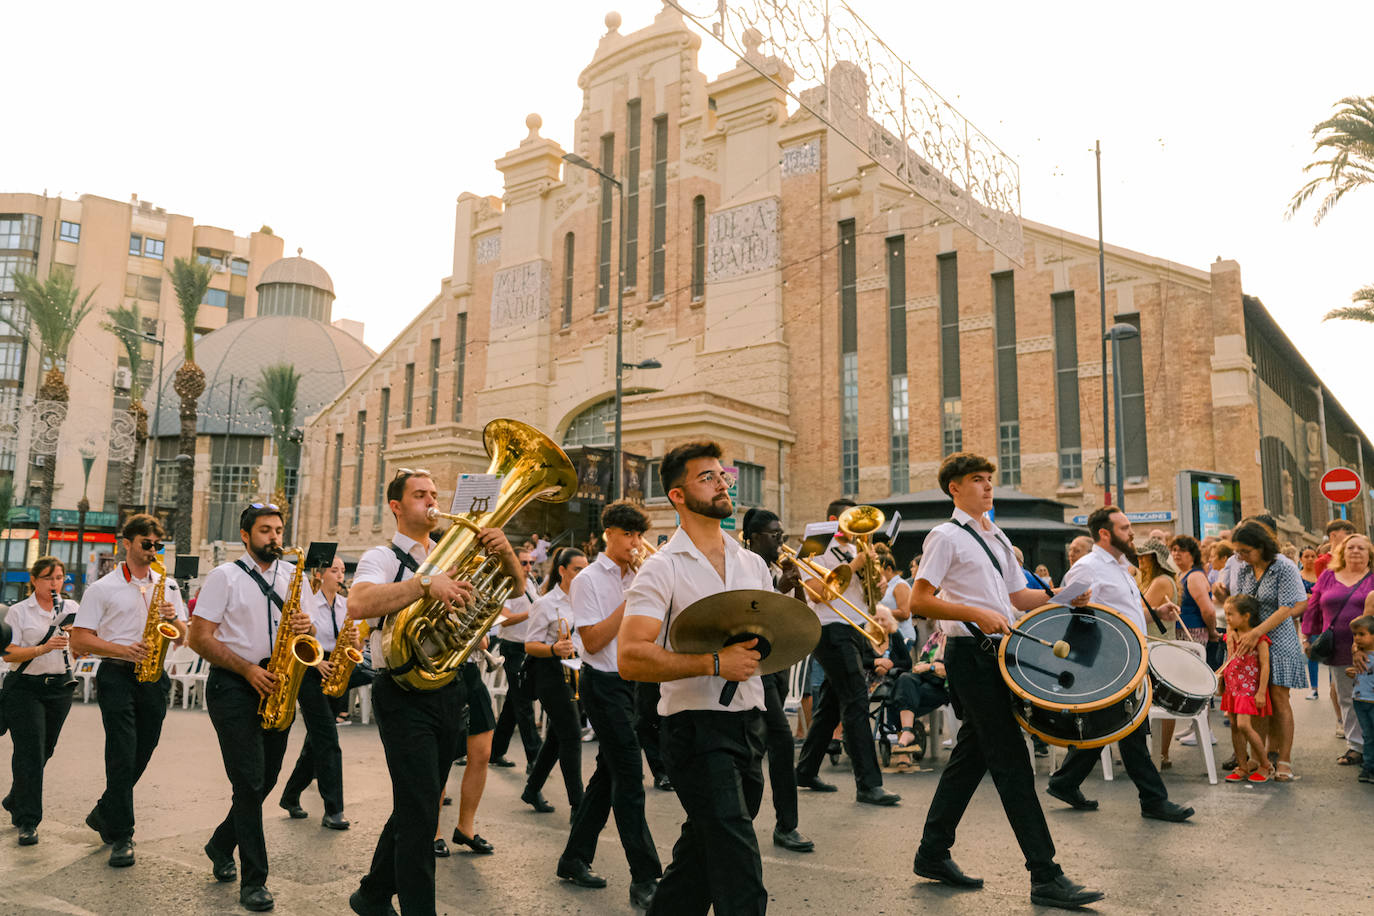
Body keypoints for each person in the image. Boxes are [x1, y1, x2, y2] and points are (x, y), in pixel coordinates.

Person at [910, 452, 1103, 909]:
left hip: (997, 655)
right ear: (954, 488)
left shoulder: (996, 536)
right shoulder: (945, 535)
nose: (987, 487)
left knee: (973, 756)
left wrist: (1060, 597)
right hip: (969, 655)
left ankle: (932, 852)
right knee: (1011, 760)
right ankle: (1044, 873)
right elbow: (919, 600)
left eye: (989, 480)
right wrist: (973, 611)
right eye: (977, 480)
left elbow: (1018, 596)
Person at [346, 469, 519, 916]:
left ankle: (371, 894)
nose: (431, 501)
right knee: (423, 809)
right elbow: (358, 603)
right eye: (420, 495)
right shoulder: (380, 556)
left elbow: (515, 593)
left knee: (417, 802)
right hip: (402, 692)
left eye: (435, 495)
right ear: (397, 507)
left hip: (450, 686)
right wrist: (426, 583)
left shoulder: (453, 553)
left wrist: (507, 555)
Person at [618, 439, 773, 916]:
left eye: (722, 474)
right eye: (707, 477)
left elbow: (769, 641)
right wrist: (713, 663)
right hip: (695, 728)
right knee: (737, 863)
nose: (722, 482)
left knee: (698, 864)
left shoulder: (752, 564)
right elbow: (631, 657)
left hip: (750, 723)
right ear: (678, 496)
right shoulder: (660, 569)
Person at [189, 503, 319, 912]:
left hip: (279, 682)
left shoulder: (292, 576)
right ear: (245, 535)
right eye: (265, 530)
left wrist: (306, 627)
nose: (274, 538)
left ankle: (220, 843)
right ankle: (254, 882)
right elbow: (198, 637)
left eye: (278, 530)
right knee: (248, 782)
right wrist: (246, 670)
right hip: (234, 686)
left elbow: (313, 628)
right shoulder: (224, 577)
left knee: (264, 781)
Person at [1045, 507, 1194, 823]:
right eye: (1125, 528)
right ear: (1104, 533)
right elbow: (1072, 614)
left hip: (1129, 656)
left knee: (1113, 726)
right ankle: (1153, 800)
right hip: (1107, 659)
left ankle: (1065, 781)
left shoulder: (1120, 566)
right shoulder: (1087, 568)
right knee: (1130, 728)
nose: (1132, 533)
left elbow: (1122, 609)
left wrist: (1158, 613)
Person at [556, 500, 662, 909]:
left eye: (639, 535)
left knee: (607, 776)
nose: (636, 543)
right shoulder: (588, 580)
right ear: (609, 534)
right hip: (603, 682)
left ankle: (574, 857)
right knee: (631, 779)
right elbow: (595, 640)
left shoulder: (642, 573)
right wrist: (631, 598)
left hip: (635, 681)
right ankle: (644, 875)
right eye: (628, 534)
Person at [70, 514, 187, 869]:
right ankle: (123, 834)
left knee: (144, 748)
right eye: (146, 543)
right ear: (127, 543)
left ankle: (105, 810)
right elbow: (80, 638)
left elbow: (184, 635)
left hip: (153, 676)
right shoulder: (102, 588)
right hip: (117, 675)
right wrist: (123, 650)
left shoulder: (168, 586)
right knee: (121, 751)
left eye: (157, 544)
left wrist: (173, 620)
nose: (152, 550)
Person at [795, 497, 901, 806]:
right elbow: (817, 593)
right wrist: (854, 565)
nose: (856, 530)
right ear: (831, 519)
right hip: (829, 629)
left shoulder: (858, 548)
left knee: (831, 704)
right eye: (849, 523)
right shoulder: (815, 542)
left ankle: (805, 770)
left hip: (856, 629)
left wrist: (877, 584)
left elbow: (867, 595)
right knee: (856, 698)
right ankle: (869, 784)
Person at [740, 507, 815, 853]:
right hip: (753, 667)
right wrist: (775, 586)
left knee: (757, 747)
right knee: (780, 743)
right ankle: (786, 826)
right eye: (774, 535)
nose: (781, 541)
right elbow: (745, 613)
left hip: (778, 665)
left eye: (782, 535)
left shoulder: (775, 569)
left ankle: (744, 823)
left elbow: (802, 616)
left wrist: (795, 584)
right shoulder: (740, 566)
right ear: (753, 537)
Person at [1, 557, 77, 846]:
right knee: (30, 752)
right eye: (48, 578)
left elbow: (82, 648)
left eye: (59, 578)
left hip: (60, 687)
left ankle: (15, 797)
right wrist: (44, 648)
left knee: (45, 749)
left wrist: (76, 642)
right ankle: (28, 820)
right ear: (34, 580)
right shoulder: (18, 612)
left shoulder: (72, 608)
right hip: (25, 688)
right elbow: (8, 654)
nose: (54, 583)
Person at [279, 555, 356, 830]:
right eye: (334, 570)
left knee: (316, 741)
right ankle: (334, 810)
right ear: (320, 574)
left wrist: (354, 642)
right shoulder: (310, 601)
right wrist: (318, 661)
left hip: (336, 673)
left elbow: (349, 638)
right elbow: (299, 639)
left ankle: (290, 795)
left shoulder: (347, 605)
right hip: (310, 672)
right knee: (328, 739)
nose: (340, 575)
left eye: (343, 571)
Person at [1230, 520, 1308, 783]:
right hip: (1249, 641)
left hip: (1279, 637)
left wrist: (1256, 632)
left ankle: (1283, 760)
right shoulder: (1244, 569)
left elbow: (1288, 607)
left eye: (1245, 551)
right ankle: (1259, 757)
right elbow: (1237, 603)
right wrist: (1235, 631)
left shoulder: (1283, 567)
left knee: (1278, 697)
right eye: (1238, 551)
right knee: (1254, 698)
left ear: (1262, 546)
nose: (1241, 557)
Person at [521, 547, 590, 814]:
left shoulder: (586, 599)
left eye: (586, 569)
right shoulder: (545, 603)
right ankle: (578, 804)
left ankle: (532, 789)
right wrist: (552, 649)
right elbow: (530, 645)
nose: (583, 575)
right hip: (551, 672)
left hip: (577, 670)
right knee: (572, 735)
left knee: (557, 736)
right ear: (562, 571)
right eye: (577, 570)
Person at [1303, 532, 1373, 768]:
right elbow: (1313, 607)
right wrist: (1306, 637)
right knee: (1347, 697)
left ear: (1369, 554)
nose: (1355, 551)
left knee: (1370, 697)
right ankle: (1356, 746)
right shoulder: (1328, 577)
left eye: (1361, 548)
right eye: (1350, 547)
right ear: (1342, 552)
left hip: (1370, 650)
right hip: (1337, 647)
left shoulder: (1372, 578)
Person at [436, 647, 501, 856]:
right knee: (440, 755)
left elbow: (484, 639)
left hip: (470, 670)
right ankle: (433, 831)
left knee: (482, 753)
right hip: (441, 668)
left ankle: (466, 827)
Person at [488, 547, 544, 770]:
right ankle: (535, 758)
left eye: (531, 563)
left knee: (515, 702)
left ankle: (496, 751)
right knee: (524, 705)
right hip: (514, 648)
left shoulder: (531, 583)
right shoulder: (507, 585)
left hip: (529, 647)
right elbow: (504, 618)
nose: (529, 567)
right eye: (523, 563)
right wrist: (533, 612)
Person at [1219, 595, 1271, 782]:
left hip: (1248, 689)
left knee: (1243, 725)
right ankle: (1242, 765)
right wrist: (1221, 682)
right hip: (1232, 688)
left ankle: (1265, 764)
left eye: (1230, 614)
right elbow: (1230, 660)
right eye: (1226, 614)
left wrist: (1261, 692)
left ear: (1246, 616)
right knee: (1234, 726)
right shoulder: (1230, 635)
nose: (1227, 618)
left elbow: (1265, 666)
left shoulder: (1260, 639)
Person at [890, 629, 950, 754]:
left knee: (900, 697)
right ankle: (907, 732)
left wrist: (930, 666)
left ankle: (905, 746)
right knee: (904, 679)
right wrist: (932, 667)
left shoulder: (959, 640)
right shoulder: (935, 637)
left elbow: (949, 670)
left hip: (944, 687)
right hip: (926, 679)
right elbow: (919, 665)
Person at [1346, 615, 1374, 784]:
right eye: (1355, 635)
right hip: (1360, 700)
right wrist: (1352, 673)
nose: (1357, 638)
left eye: (1362, 634)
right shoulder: (1360, 654)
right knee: (1368, 735)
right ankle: (1368, 767)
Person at [1299, 546, 1321, 700]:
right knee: (1312, 653)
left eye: (1313, 556)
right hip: (1308, 619)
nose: (1310, 559)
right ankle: (1314, 688)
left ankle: (1334, 686)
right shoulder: (1297, 576)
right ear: (1301, 559)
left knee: (1329, 653)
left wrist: (1310, 597)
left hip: (1325, 617)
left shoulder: (1322, 575)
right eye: (1306, 556)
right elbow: (1298, 597)